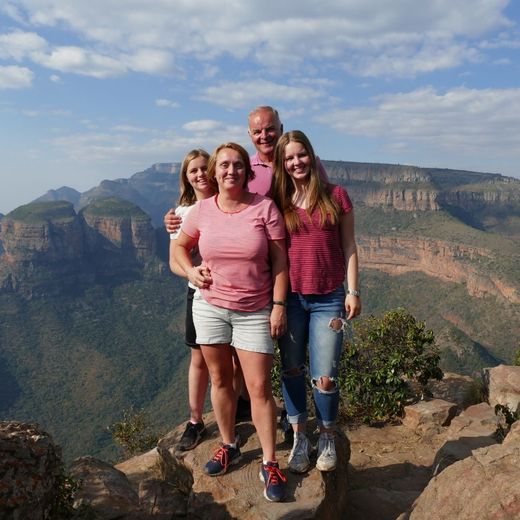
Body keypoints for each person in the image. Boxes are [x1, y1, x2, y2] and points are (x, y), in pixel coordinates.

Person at [174, 142, 289, 502]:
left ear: (247, 171)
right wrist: (192, 271)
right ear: (214, 172)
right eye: (223, 165)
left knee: (258, 388)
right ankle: (229, 444)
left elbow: (280, 262)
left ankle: (270, 462)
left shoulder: (265, 208)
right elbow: (178, 248)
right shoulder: (201, 211)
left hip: (254, 310)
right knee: (221, 379)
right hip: (210, 308)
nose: (230, 171)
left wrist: (279, 305)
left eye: (238, 165)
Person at [271, 130, 361, 474]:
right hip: (290, 299)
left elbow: (350, 246)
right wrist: (183, 215)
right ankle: (299, 437)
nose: (296, 162)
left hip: (329, 299)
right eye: (289, 158)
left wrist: (353, 291)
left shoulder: (336, 196)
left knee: (326, 377)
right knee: (292, 369)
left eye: (301, 155)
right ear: (283, 164)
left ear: (312, 155)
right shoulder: (278, 201)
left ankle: (326, 436)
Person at [168, 149, 214, 451]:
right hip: (199, 294)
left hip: (234, 294)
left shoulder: (229, 201)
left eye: (203, 168)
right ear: (186, 177)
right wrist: (192, 272)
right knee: (199, 358)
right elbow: (174, 261)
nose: (199, 174)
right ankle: (196, 420)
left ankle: (239, 407)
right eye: (192, 171)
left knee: (234, 359)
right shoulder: (181, 214)